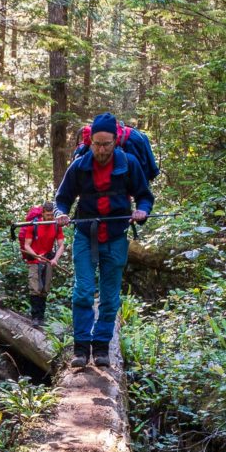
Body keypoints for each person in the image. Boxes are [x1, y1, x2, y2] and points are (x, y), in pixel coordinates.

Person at [54, 112, 154, 368]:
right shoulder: (79, 166)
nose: (100, 150)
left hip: (115, 236)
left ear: (115, 141)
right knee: (83, 291)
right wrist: (60, 214)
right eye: (96, 144)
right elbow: (62, 199)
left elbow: (144, 196)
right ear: (90, 142)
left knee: (109, 297)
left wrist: (142, 212)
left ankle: (101, 348)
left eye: (106, 144)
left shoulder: (129, 164)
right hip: (85, 235)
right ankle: (80, 349)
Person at [17, 200, 63, 325]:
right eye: (48, 215)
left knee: (45, 289)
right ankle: (35, 318)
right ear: (43, 213)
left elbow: (61, 245)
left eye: (52, 215)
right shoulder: (34, 224)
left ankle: (41, 317)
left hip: (48, 259)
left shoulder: (56, 225)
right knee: (34, 288)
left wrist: (55, 259)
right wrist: (36, 256)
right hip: (34, 259)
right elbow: (27, 245)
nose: (50, 217)